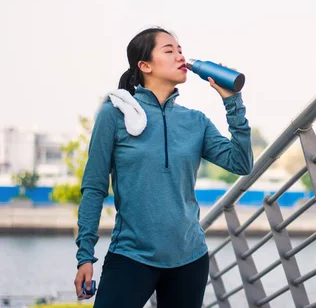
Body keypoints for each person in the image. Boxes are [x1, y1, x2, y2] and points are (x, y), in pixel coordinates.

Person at [73, 27, 253, 307]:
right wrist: (85, 255)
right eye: (169, 50)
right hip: (131, 256)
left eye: (180, 49)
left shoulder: (196, 121)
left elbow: (241, 163)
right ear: (144, 66)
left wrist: (232, 102)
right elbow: (94, 188)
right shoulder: (115, 115)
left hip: (190, 259)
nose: (180, 55)